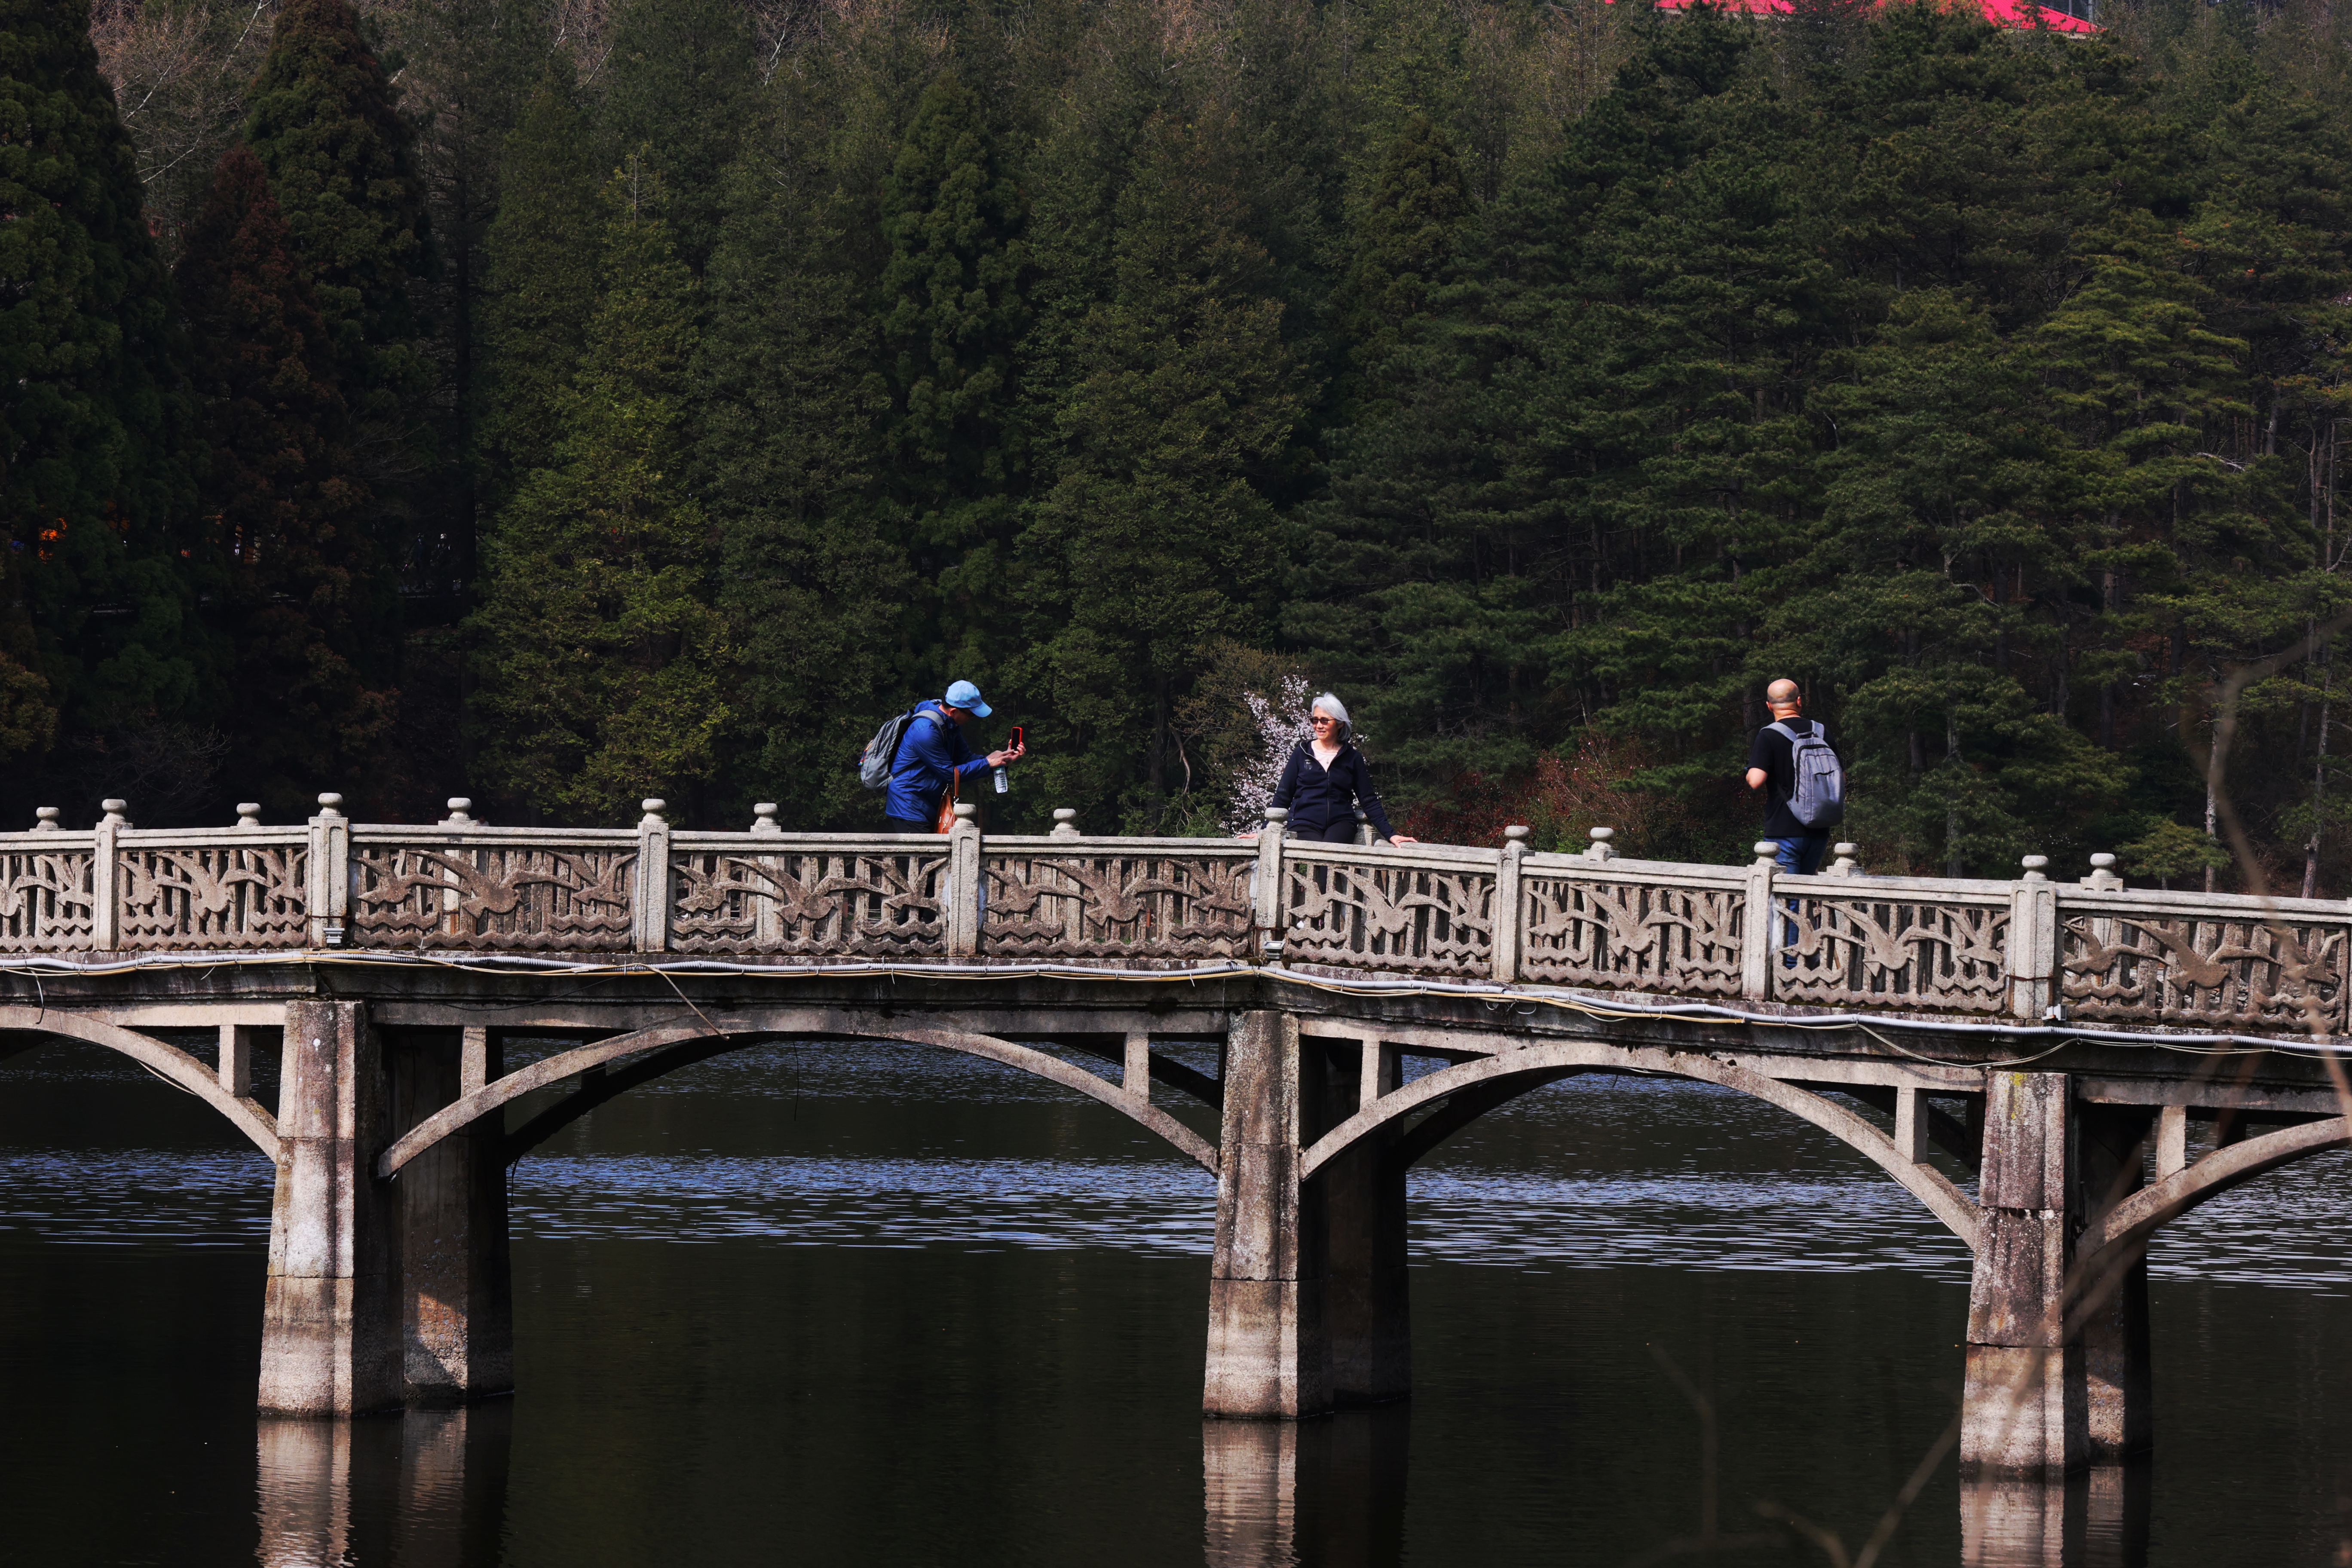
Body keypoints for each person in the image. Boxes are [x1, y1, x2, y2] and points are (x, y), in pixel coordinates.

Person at [1242, 693, 1418, 845]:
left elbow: (1368, 799)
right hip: (1304, 822)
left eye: (1325, 721)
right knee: (1319, 859)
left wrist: (1391, 834)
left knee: (1328, 859)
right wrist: (1263, 831)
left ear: (1340, 723)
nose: (1319, 726)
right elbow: (1283, 795)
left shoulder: (1352, 758)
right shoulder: (1301, 753)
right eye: (1315, 720)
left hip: (1341, 822)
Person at [1745, 678, 1838, 962]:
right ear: (1800, 701)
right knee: (1805, 897)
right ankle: (1808, 963)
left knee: (1785, 902)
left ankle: (1788, 968)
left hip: (1784, 830)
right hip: (1819, 829)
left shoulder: (1769, 735)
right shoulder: (1821, 731)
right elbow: (1840, 779)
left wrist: (1752, 769)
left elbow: (1756, 781)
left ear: (1769, 705)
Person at [885, 679, 1025, 834]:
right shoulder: (925, 732)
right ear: (954, 711)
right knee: (924, 858)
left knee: (935, 857)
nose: (973, 718)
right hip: (909, 805)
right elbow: (949, 774)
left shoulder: (950, 725)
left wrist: (1003, 761)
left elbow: (966, 759)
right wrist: (987, 763)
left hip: (929, 802)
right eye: (971, 714)